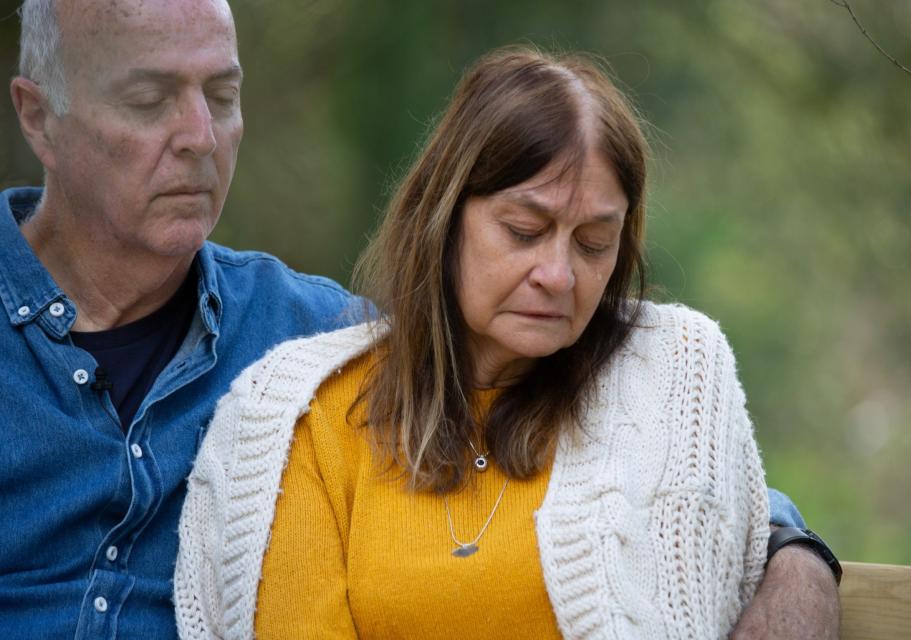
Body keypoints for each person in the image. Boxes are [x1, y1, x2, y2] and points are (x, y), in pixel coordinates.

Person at [0, 1, 838, 638]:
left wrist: (796, 556)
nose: (199, 137)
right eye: (149, 99)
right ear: (38, 117)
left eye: (221, 95)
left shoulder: (303, 346)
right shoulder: (300, 392)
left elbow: (676, 459)